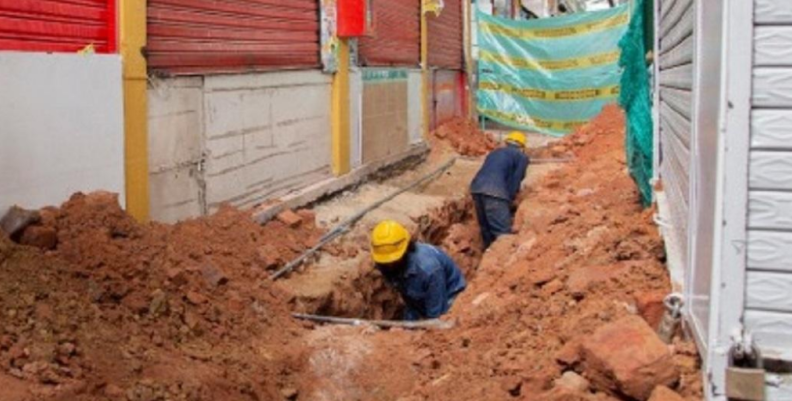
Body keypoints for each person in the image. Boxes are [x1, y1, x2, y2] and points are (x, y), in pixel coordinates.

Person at [370, 220, 466, 321]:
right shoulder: (384, 263)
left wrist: (429, 323)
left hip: (448, 296)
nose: (389, 265)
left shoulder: (429, 270)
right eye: (386, 262)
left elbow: (435, 317)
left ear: (406, 249)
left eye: (392, 261)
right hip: (415, 300)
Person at [469, 131, 530, 248]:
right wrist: (510, 200)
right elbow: (516, 180)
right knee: (503, 233)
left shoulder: (494, 153)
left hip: (476, 188)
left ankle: (488, 254)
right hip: (495, 192)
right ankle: (500, 261)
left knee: (485, 228)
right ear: (522, 147)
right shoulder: (521, 157)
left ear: (507, 143)